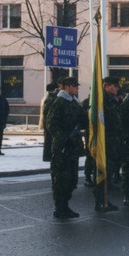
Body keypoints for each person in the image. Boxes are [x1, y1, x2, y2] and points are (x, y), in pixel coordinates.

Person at [47, 77, 87, 219]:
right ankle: (60, 207)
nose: (77, 88)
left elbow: (83, 121)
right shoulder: (59, 102)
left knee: (71, 178)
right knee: (61, 178)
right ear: (67, 87)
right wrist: (64, 138)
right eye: (74, 86)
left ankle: (66, 205)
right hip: (62, 147)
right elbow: (51, 124)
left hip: (73, 146)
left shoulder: (75, 103)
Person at [94, 76, 121, 213]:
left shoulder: (113, 101)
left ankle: (104, 200)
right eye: (114, 86)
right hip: (104, 141)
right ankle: (100, 201)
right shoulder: (101, 100)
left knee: (108, 172)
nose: (116, 89)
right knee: (102, 172)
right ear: (106, 86)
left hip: (112, 141)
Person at [39, 82, 57, 162]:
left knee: (47, 140)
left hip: (46, 122)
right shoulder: (50, 98)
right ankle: (47, 156)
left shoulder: (45, 97)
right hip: (49, 123)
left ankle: (47, 156)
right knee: (48, 140)